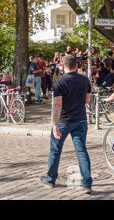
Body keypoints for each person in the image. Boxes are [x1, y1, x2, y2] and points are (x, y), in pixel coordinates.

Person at [40, 55, 93, 194]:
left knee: (55, 151)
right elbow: (87, 100)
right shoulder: (85, 80)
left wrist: (54, 125)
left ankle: (50, 179)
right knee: (81, 151)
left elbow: (57, 105)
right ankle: (87, 183)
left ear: (63, 65)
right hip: (80, 119)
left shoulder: (59, 81)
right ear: (77, 65)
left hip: (63, 121)